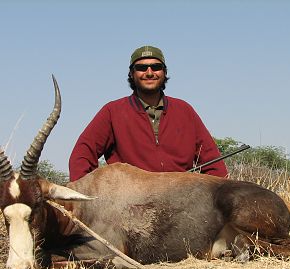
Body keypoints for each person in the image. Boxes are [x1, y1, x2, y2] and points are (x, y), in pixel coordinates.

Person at [69, 45, 228, 181]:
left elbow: (213, 163)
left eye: (156, 67)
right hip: (131, 202)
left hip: (182, 199)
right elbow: (81, 157)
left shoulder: (184, 110)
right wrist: (86, 198)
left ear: (164, 72)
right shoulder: (112, 111)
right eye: (142, 68)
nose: (150, 72)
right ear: (132, 74)